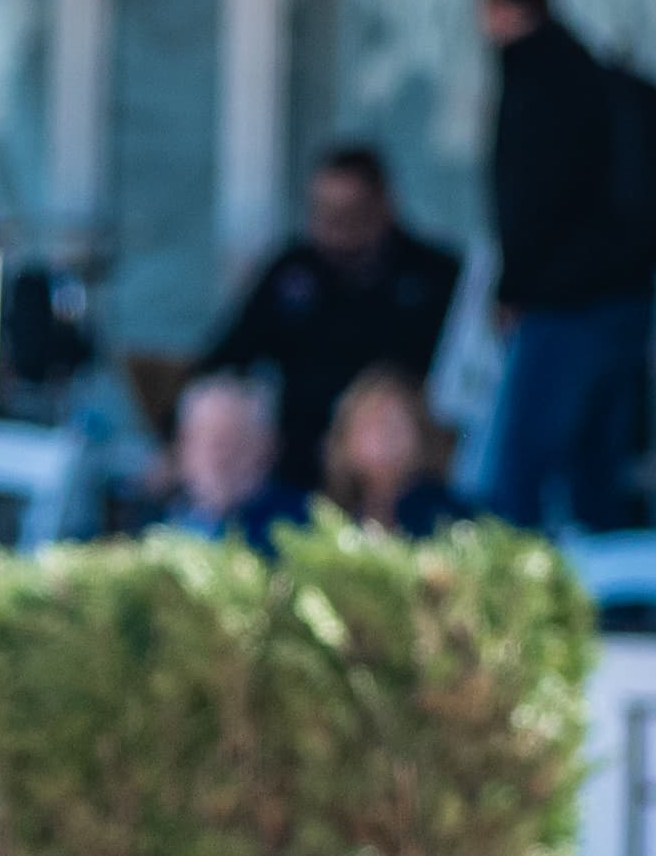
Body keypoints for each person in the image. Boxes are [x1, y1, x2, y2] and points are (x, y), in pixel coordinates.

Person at [477, 0, 656, 532]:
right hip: (622, 290)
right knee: (594, 471)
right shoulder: (585, 67)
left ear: (496, 3)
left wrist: (514, 284)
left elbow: (531, 193)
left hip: (567, 298)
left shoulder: (537, 73)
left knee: (522, 468)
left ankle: (518, 607)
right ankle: (606, 602)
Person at [194, 143, 461, 494]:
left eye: (350, 213)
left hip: (399, 473)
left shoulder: (433, 277)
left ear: (385, 206)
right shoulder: (293, 272)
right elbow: (227, 357)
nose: (334, 227)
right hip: (300, 468)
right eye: (323, 211)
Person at [158, 373, 311, 553]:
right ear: (182, 447)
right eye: (204, 437)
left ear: (268, 448)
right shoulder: (156, 523)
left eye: (234, 439)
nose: (218, 455)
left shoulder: (299, 528)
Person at [315, 366, 466, 540]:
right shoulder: (329, 520)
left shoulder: (451, 520)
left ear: (422, 435)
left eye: (394, 424)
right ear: (344, 440)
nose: (384, 438)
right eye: (371, 424)